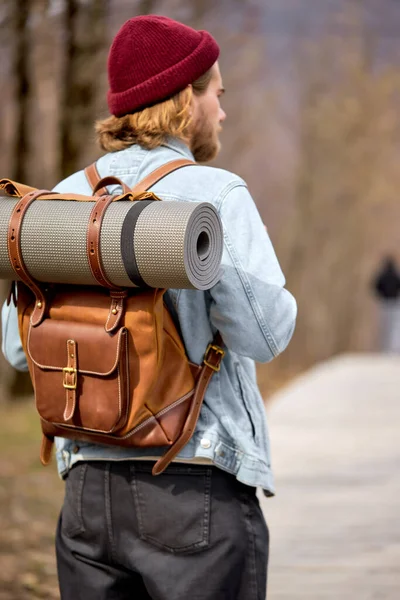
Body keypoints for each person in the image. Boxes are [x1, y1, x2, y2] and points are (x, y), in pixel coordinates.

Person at [1, 15, 297, 600]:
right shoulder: (217, 192)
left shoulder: (62, 199)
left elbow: (16, 349)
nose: (223, 112)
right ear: (186, 98)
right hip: (194, 488)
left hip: (87, 493)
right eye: (218, 94)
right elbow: (266, 335)